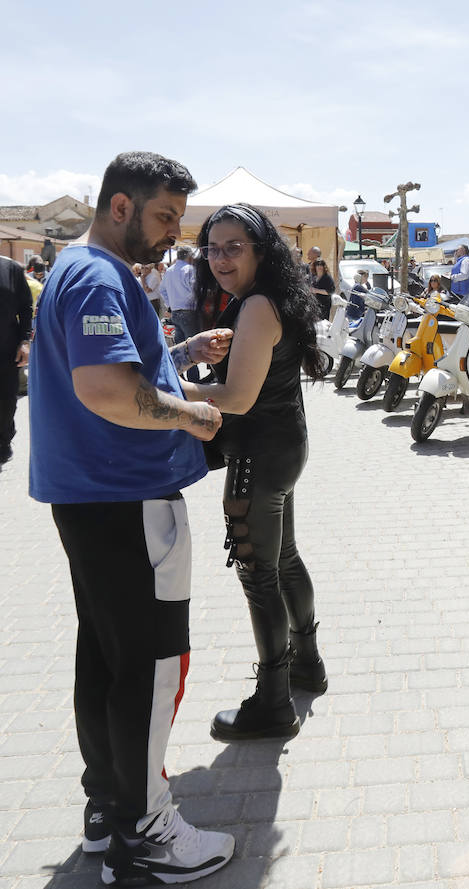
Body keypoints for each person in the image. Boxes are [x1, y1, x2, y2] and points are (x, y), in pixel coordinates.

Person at [26, 150, 235, 884]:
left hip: (96, 498)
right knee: (148, 666)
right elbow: (109, 391)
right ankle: (145, 830)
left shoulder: (82, 272)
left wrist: (175, 352)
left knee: (106, 658)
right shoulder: (96, 274)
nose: (175, 235)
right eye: (165, 216)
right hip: (126, 499)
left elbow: (110, 372)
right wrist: (194, 413)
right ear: (121, 207)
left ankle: (106, 804)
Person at [191, 203, 330, 742]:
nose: (221, 258)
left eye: (234, 247)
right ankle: (306, 664)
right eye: (213, 247)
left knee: (260, 577)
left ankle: (273, 702)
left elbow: (237, 399)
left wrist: (165, 391)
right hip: (283, 448)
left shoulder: (255, 307)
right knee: (285, 559)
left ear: (259, 250)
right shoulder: (271, 298)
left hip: (257, 455)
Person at [1, 255, 32, 466]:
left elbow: (26, 307)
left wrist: (25, 341)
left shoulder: (10, 268)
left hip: (6, 350)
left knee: (6, 400)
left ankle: (3, 441)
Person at [160, 246, 199, 345]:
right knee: (193, 344)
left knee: (180, 345)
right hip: (189, 311)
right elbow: (195, 289)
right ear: (189, 256)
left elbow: (162, 290)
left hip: (175, 312)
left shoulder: (169, 270)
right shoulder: (189, 269)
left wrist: (170, 305)